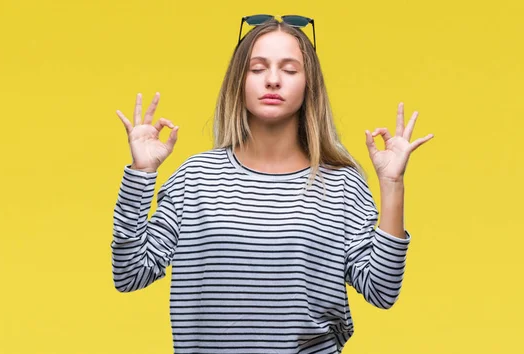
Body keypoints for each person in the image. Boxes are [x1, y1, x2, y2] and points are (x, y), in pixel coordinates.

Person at [111, 15, 433, 354]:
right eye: (258, 68)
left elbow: (381, 291)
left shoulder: (341, 185)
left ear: (310, 84)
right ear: (239, 81)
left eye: (290, 70)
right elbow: (130, 273)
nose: (273, 80)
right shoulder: (196, 178)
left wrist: (393, 184)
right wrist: (141, 173)